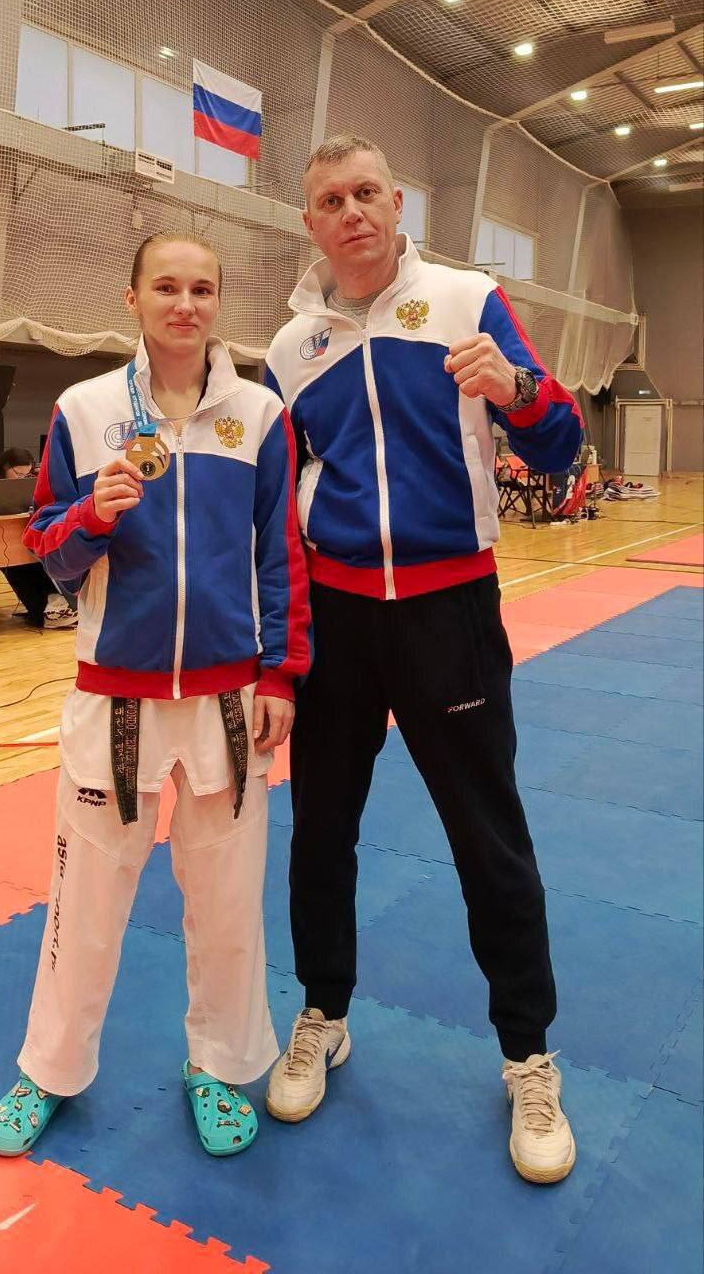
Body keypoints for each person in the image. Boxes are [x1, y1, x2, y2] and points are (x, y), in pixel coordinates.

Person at [263, 135, 582, 1185]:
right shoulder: (291, 349)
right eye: (330, 199)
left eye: (366, 192)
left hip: (450, 610)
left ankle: (527, 1057)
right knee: (320, 833)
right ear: (309, 222)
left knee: (489, 840)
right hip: (337, 622)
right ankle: (323, 1011)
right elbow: (274, 509)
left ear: (396, 202)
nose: (351, 211)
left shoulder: (464, 299)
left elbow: (560, 446)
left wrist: (518, 389)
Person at [0, 233, 310, 1159]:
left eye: (202, 288)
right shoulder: (84, 410)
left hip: (226, 700)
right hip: (112, 698)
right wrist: (91, 515)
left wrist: (280, 673)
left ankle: (220, 1065)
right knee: (82, 900)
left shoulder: (259, 415)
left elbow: (280, 556)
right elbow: (46, 551)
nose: (185, 304)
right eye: (166, 286)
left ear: (218, 303)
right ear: (132, 299)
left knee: (228, 903)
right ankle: (49, 1069)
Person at [0, 447, 77, 629]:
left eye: (25, 475)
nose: (21, 478)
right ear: (5, 466)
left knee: (31, 558)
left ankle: (55, 605)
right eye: (18, 474)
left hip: (3, 536)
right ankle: (42, 612)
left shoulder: (21, 481)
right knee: (15, 564)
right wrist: (1, 503)